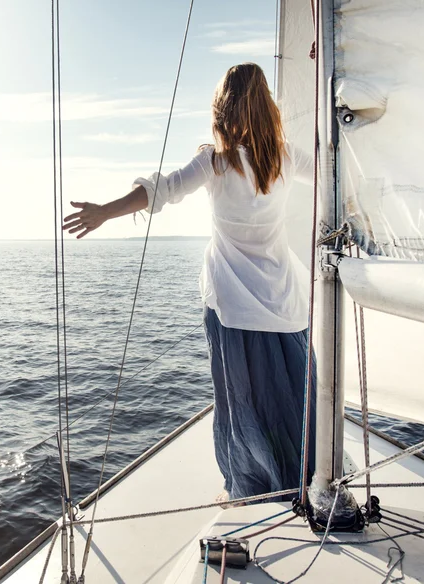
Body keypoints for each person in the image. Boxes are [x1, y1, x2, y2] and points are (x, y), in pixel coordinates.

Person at [63, 63, 316, 504]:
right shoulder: (288, 158)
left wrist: (106, 210)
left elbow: (163, 189)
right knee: (292, 397)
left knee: (242, 403)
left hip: (234, 304)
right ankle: (299, 480)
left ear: (223, 108)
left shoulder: (216, 163)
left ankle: (252, 486)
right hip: (284, 300)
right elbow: (335, 169)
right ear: (267, 106)